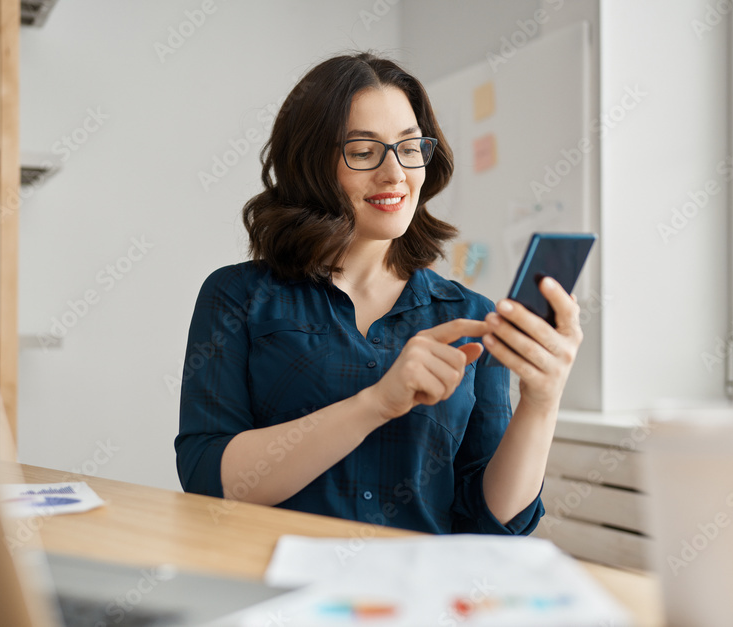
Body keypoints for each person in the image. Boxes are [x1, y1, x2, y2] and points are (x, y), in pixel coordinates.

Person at [174, 52, 583, 535]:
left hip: (416, 598)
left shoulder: (470, 314)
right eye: (364, 152)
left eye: (410, 149)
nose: (395, 175)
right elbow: (207, 479)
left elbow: (490, 519)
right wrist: (377, 403)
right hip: (276, 592)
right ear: (310, 165)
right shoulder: (237, 295)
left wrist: (542, 400)